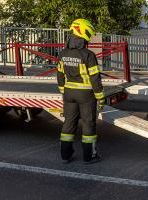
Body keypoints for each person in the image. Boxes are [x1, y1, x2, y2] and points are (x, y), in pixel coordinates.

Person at [57, 19, 105, 164]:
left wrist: (63, 90)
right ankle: (89, 156)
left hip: (68, 93)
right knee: (88, 124)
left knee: (68, 123)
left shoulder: (63, 53)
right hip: (86, 95)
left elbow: (60, 75)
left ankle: (65, 156)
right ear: (83, 35)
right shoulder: (88, 55)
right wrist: (100, 97)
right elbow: (95, 78)